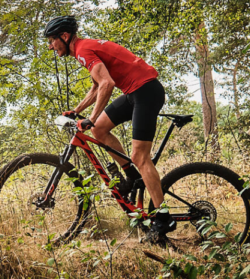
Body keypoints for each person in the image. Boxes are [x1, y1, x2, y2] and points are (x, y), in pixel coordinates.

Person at [43, 15, 175, 244]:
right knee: (99, 130)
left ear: (65, 36)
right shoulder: (84, 49)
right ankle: (133, 177)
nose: (50, 46)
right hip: (134, 92)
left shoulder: (83, 49)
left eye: (52, 40)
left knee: (139, 155)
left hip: (146, 91)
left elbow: (107, 84)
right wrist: (76, 111)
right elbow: (97, 85)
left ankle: (163, 217)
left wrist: (91, 117)